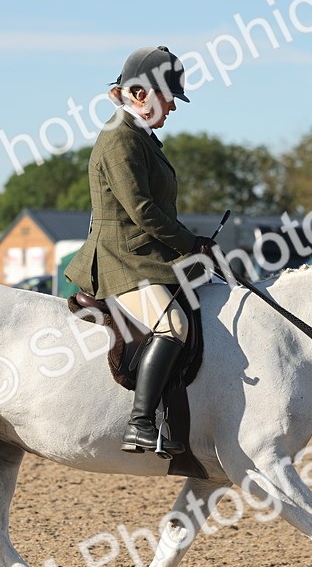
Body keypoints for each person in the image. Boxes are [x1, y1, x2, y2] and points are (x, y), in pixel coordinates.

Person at [63, 45, 218, 456]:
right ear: (139, 94)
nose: (172, 107)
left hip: (146, 256)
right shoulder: (120, 139)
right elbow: (143, 210)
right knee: (174, 327)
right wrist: (191, 243)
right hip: (122, 257)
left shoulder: (142, 138)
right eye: (167, 98)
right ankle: (141, 423)